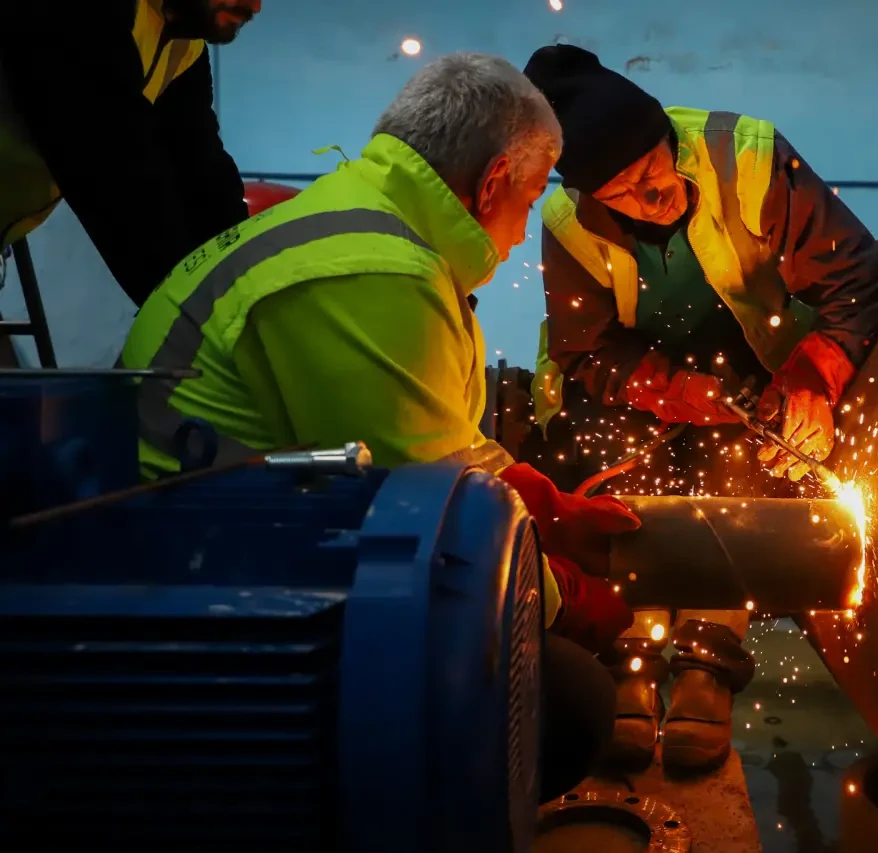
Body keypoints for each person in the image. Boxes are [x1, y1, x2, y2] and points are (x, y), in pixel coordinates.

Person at [117, 52, 634, 802]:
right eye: (527, 203)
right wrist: (564, 597)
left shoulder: (366, 222)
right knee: (568, 701)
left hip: (224, 535)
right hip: (196, 584)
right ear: (491, 182)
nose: (523, 234)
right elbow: (429, 524)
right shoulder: (369, 270)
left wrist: (541, 502)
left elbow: (431, 436)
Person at [521, 44, 878, 773]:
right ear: (590, 194)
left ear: (668, 135)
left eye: (655, 168)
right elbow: (585, 348)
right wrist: (669, 389)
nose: (653, 194)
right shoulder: (569, 220)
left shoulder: (750, 157)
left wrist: (813, 377)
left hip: (757, 364)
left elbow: (858, 280)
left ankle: (707, 661)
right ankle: (630, 654)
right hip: (635, 382)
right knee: (621, 478)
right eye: (626, 191)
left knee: (737, 476)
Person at [0, 1, 261, 306]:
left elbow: (204, 176)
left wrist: (249, 283)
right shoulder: (80, 12)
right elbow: (116, 179)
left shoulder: (185, 48)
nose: (255, 6)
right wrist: (196, 316)